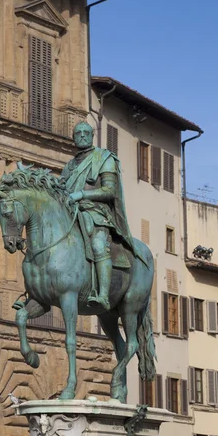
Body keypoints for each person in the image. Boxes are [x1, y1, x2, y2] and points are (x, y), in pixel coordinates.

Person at [61, 121, 144, 311]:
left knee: (98, 245)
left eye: (86, 132)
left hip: (97, 213)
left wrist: (82, 194)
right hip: (72, 213)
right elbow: (60, 189)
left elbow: (109, 191)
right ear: (73, 137)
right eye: (78, 133)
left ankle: (104, 295)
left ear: (92, 136)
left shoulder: (104, 158)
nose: (82, 135)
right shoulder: (69, 166)